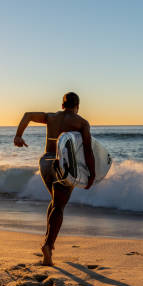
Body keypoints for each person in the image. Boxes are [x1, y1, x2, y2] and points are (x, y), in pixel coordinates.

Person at [14, 92, 95, 266]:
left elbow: (27, 115)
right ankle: (48, 246)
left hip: (45, 162)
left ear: (62, 104)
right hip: (62, 166)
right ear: (78, 106)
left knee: (55, 201)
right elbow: (87, 150)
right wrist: (92, 174)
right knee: (59, 205)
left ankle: (47, 240)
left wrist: (18, 135)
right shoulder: (81, 123)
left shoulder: (51, 117)